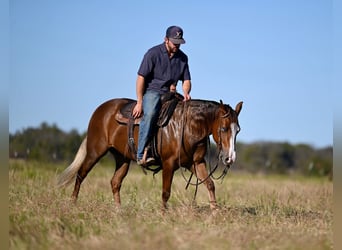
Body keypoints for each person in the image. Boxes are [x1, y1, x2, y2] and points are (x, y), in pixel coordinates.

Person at [132, 25, 192, 166]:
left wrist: (186, 92)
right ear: (166, 40)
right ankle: (141, 154)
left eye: (179, 43)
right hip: (153, 91)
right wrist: (139, 102)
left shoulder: (183, 58)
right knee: (151, 113)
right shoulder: (152, 54)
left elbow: (187, 80)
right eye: (174, 42)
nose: (177, 45)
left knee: (185, 115)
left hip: (171, 93)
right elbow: (141, 78)